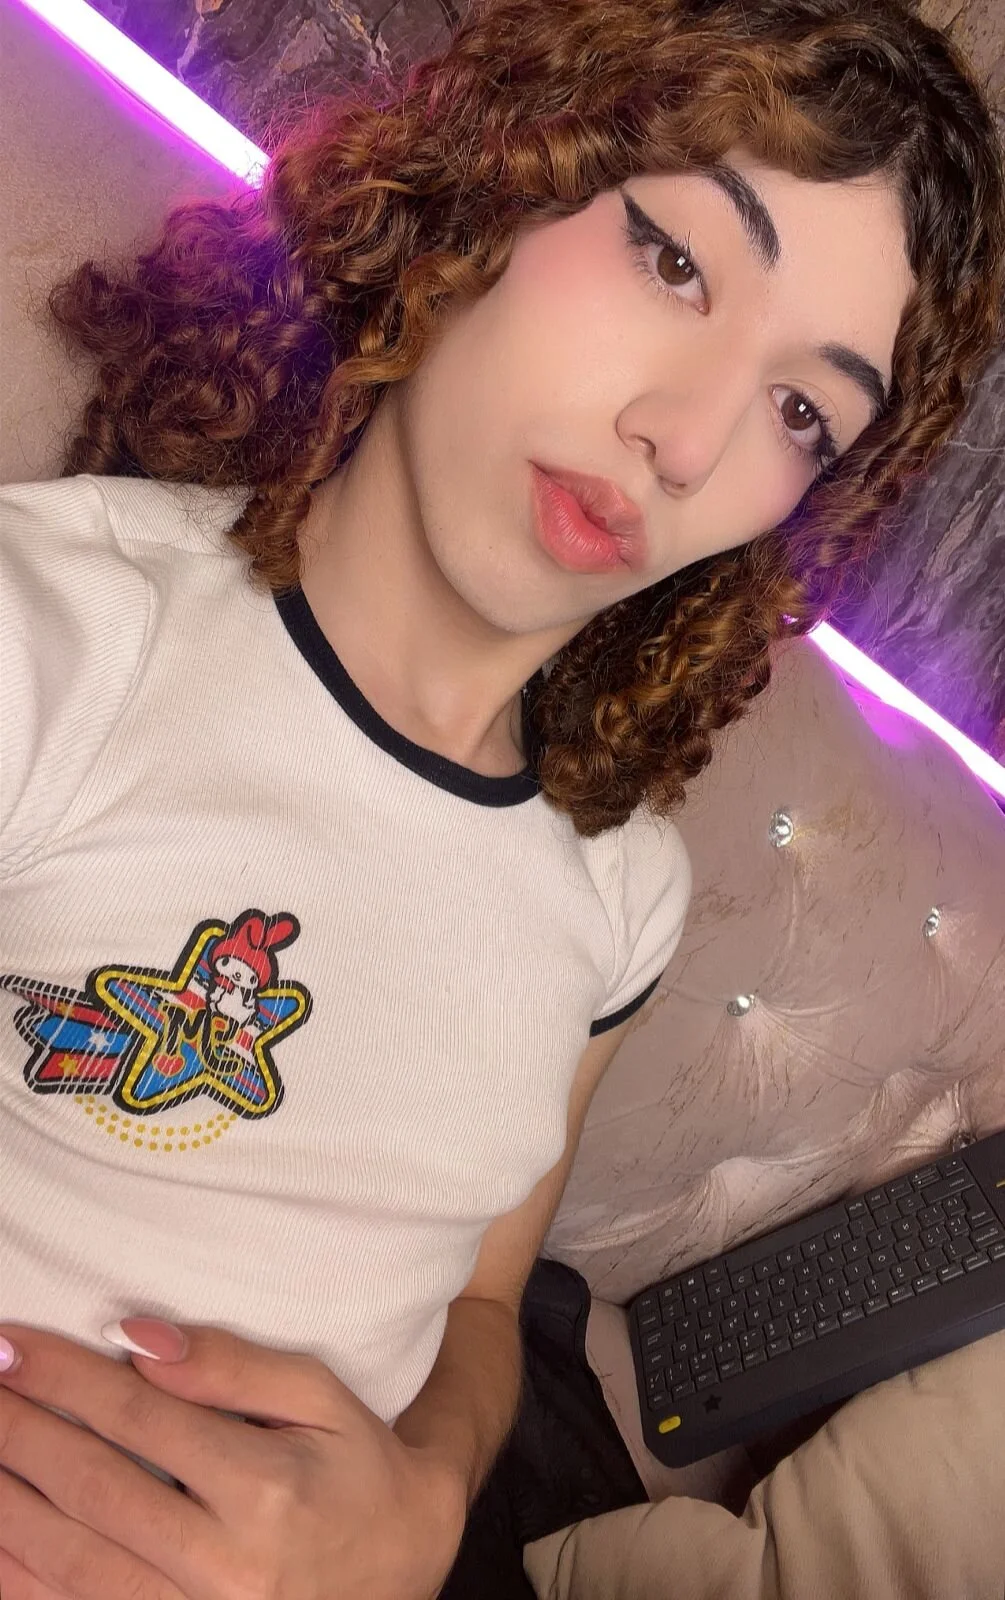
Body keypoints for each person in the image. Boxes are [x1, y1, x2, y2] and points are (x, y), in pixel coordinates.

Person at [0, 0, 1002, 1593]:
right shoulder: (58, 634)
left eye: (802, 411)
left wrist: (424, 1504)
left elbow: (480, 1301)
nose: (687, 440)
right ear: (504, 181)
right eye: (676, 259)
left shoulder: (622, 887)